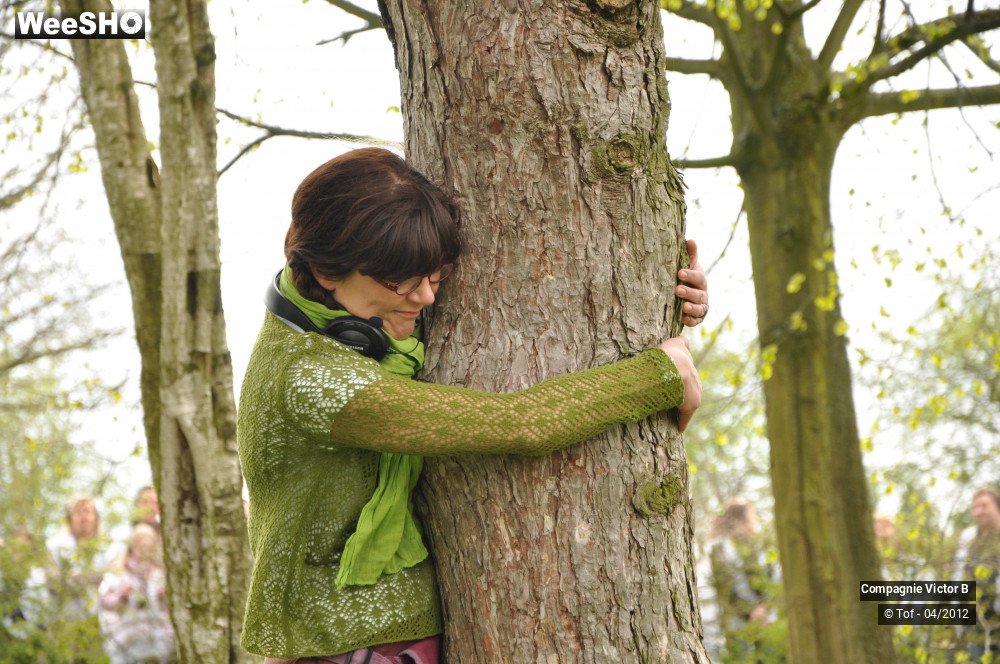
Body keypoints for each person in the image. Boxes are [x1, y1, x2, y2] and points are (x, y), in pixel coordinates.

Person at [237, 148, 708, 663]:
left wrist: (665, 300)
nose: (425, 300)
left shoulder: (356, 330)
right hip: (346, 649)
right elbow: (519, 425)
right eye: (401, 282)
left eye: (435, 277)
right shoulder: (314, 377)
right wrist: (661, 373)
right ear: (327, 271)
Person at [707, 500, 778, 662]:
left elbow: (772, 580)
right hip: (737, 623)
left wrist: (764, 608)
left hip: (766, 620)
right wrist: (750, 612)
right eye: (750, 519)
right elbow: (725, 589)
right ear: (739, 520)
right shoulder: (720, 549)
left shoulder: (760, 545)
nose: (753, 523)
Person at [98, 524, 175, 664]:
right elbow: (104, 604)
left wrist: (166, 598)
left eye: (148, 547)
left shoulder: (160, 575)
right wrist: (121, 596)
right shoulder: (118, 574)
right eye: (140, 546)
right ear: (132, 547)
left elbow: (171, 611)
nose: (144, 551)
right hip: (129, 641)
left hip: (159, 642)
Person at [955, 487, 1000, 660]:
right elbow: (958, 577)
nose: (978, 512)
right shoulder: (968, 539)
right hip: (976, 623)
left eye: (984, 506)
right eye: (974, 508)